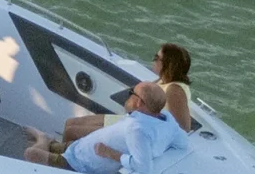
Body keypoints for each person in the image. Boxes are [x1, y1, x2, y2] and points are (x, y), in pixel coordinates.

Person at [26, 80, 188, 174]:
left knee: (31, 154)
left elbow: (144, 167)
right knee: (59, 146)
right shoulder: (166, 119)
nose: (128, 94)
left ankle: (43, 139)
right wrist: (158, 145)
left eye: (132, 92)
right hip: (78, 149)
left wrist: (111, 154)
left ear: (139, 103)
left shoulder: (137, 130)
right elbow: (183, 143)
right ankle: (50, 143)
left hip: (79, 165)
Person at [60, 42, 195, 143]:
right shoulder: (163, 81)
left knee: (71, 132)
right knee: (70, 123)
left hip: (135, 129)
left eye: (156, 57)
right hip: (129, 121)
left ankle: (63, 165)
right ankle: (68, 156)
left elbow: (183, 128)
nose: (153, 60)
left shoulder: (174, 90)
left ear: (168, 64)